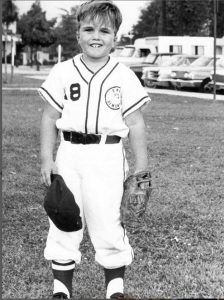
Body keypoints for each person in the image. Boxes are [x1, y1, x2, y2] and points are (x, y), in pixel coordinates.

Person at [38, 0, 151, 298]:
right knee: (63, 217)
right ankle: (61, 289)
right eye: (88, 29)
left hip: (108, 154)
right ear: (77, 35)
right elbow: (49, 117)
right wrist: (46, 159)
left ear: (116, 38)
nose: (96, 36)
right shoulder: (63, 71)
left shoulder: (123, 75)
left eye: (104, 30)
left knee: (108, 220)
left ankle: (115, 288)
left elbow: (136, 123)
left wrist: (141, 167)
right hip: (69, 153)